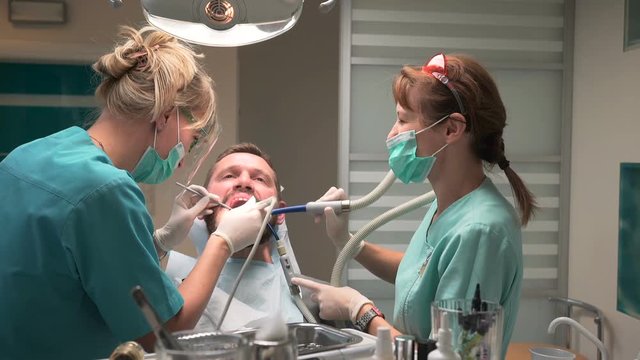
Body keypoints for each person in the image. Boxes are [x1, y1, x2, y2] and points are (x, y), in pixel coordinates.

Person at [0, 26, 269, 360]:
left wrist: (158, 242)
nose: (185, 157)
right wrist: (223, 242)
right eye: (193, 138)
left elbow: (67, 266)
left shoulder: (29, 154)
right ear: (166, 116)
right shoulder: (106, 191)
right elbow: (162, 333)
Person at [292, 53, 536, 358]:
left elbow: (450, 355)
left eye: (403, 119)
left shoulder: (481, 231)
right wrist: (349, 243)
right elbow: (420, 273)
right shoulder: (448, 204)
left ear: (451, 129)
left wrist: (361, 311)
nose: (392, 134)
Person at [169, 143, 306, 331]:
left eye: (259, 179)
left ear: (280, 212)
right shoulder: (170, 282)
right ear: (202, 205)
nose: (244, 182)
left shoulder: (306, 300)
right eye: (229, 175)